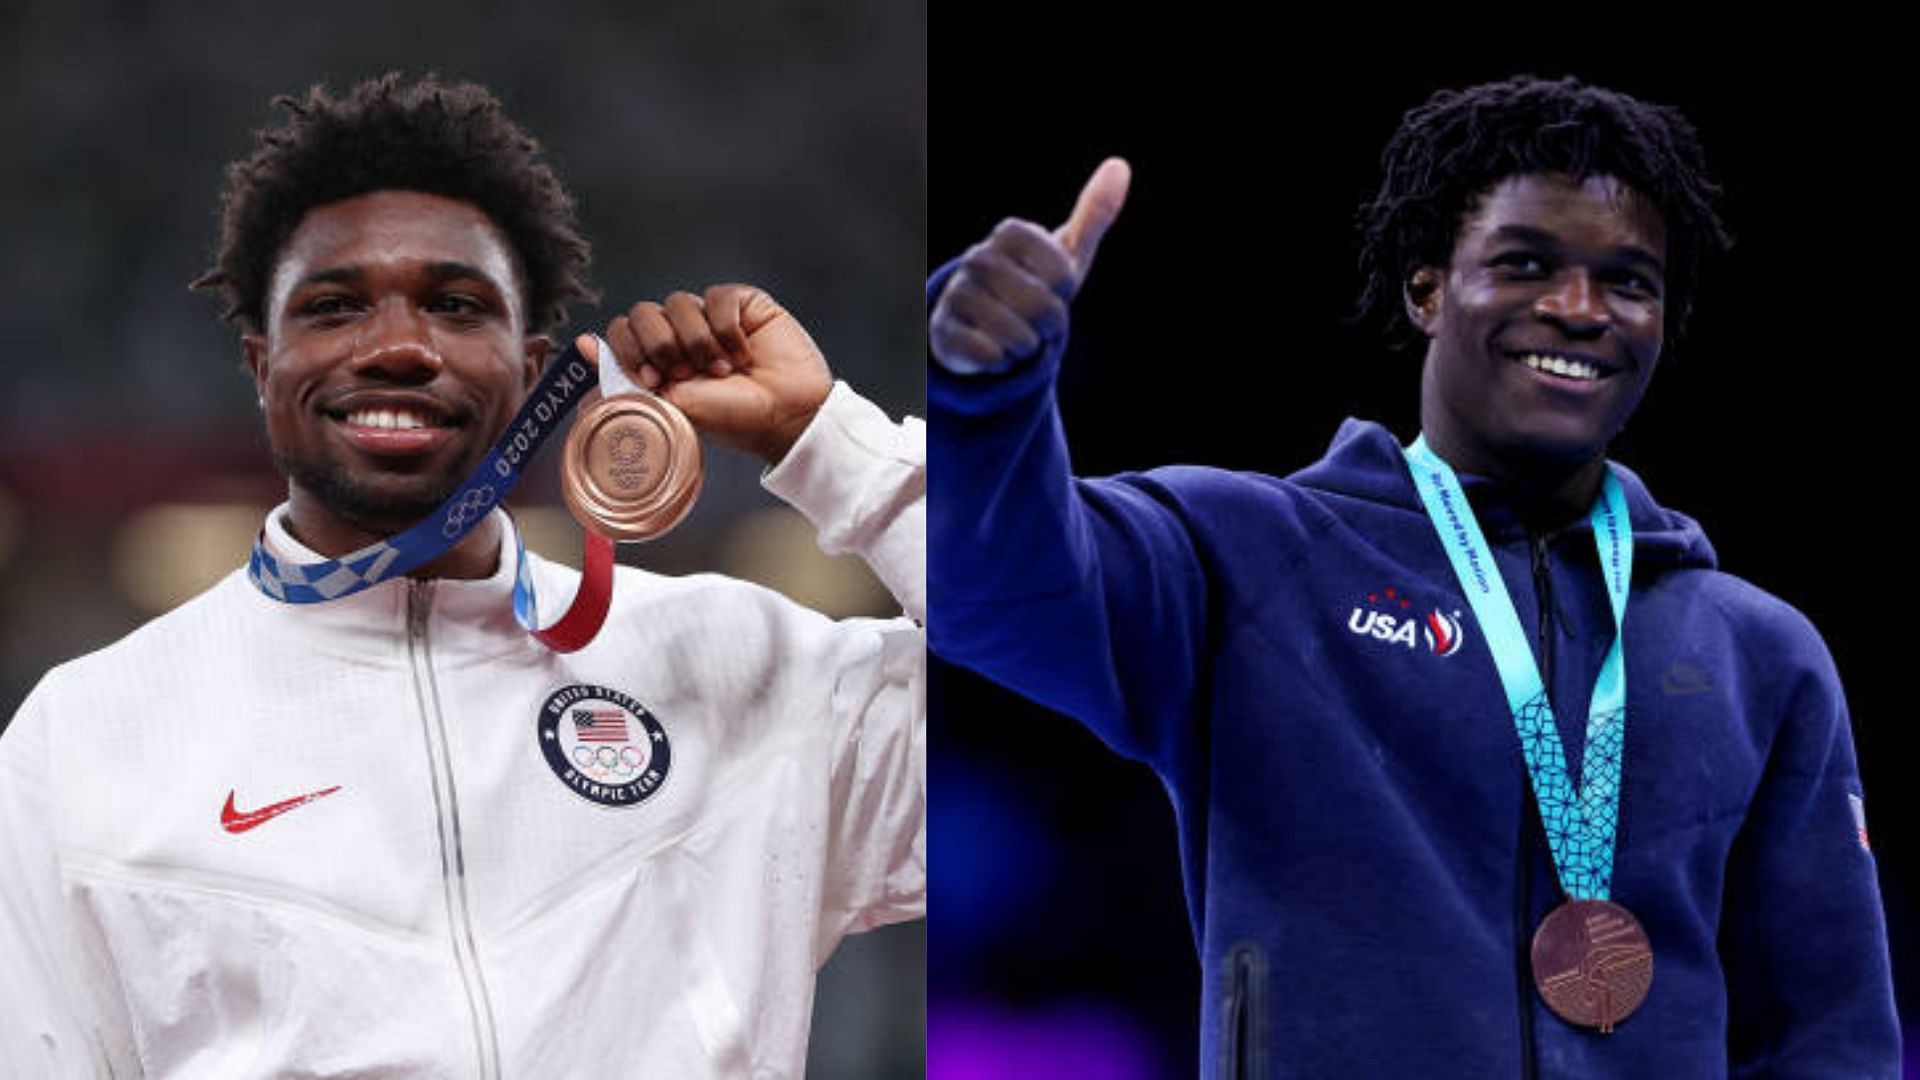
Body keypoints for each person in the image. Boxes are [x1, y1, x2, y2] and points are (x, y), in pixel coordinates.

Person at [928, 75, 1899, 1076]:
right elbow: (992, 593)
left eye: (1628, 281)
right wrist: (987, 396)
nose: (1578, 309)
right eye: (1526, 264)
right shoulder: (1252, 553)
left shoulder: (1756, 653)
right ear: (1427, 287)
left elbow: (1831, 1040)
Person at [0, 74, 923, 1078]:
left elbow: (1069, 682)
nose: (397, 346)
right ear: (262, 368)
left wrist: (830, 443)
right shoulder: (86, 735)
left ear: (534, 371)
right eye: (334, 306)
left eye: (454, 304)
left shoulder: (747, 670)